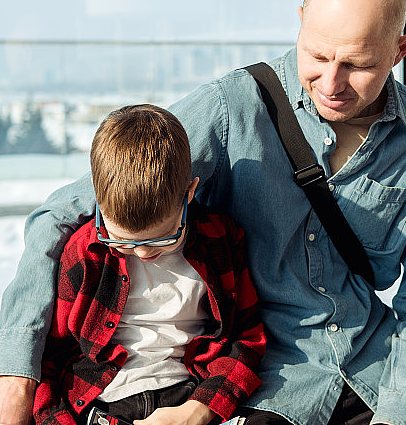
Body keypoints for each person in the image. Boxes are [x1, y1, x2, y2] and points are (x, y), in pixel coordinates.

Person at [0, 0, 406, 425]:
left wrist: (400, 414)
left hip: (378, 367)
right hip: (265, 383)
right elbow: (60, 214)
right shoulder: (231, 109)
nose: (332, 83)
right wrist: (13, 383)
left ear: (400, 50)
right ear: (300, 22)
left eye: (357, 65)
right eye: (317, 55)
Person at [32, 104, 265, 425]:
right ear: (98, 200)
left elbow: (247, 338)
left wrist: (202, 409)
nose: (142, 253)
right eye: (122, 241)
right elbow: (51, 356)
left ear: (189, 194)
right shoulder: (86, 252)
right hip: (101, 402)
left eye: (162, 238)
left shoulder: (220, 240)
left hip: (192, 393)